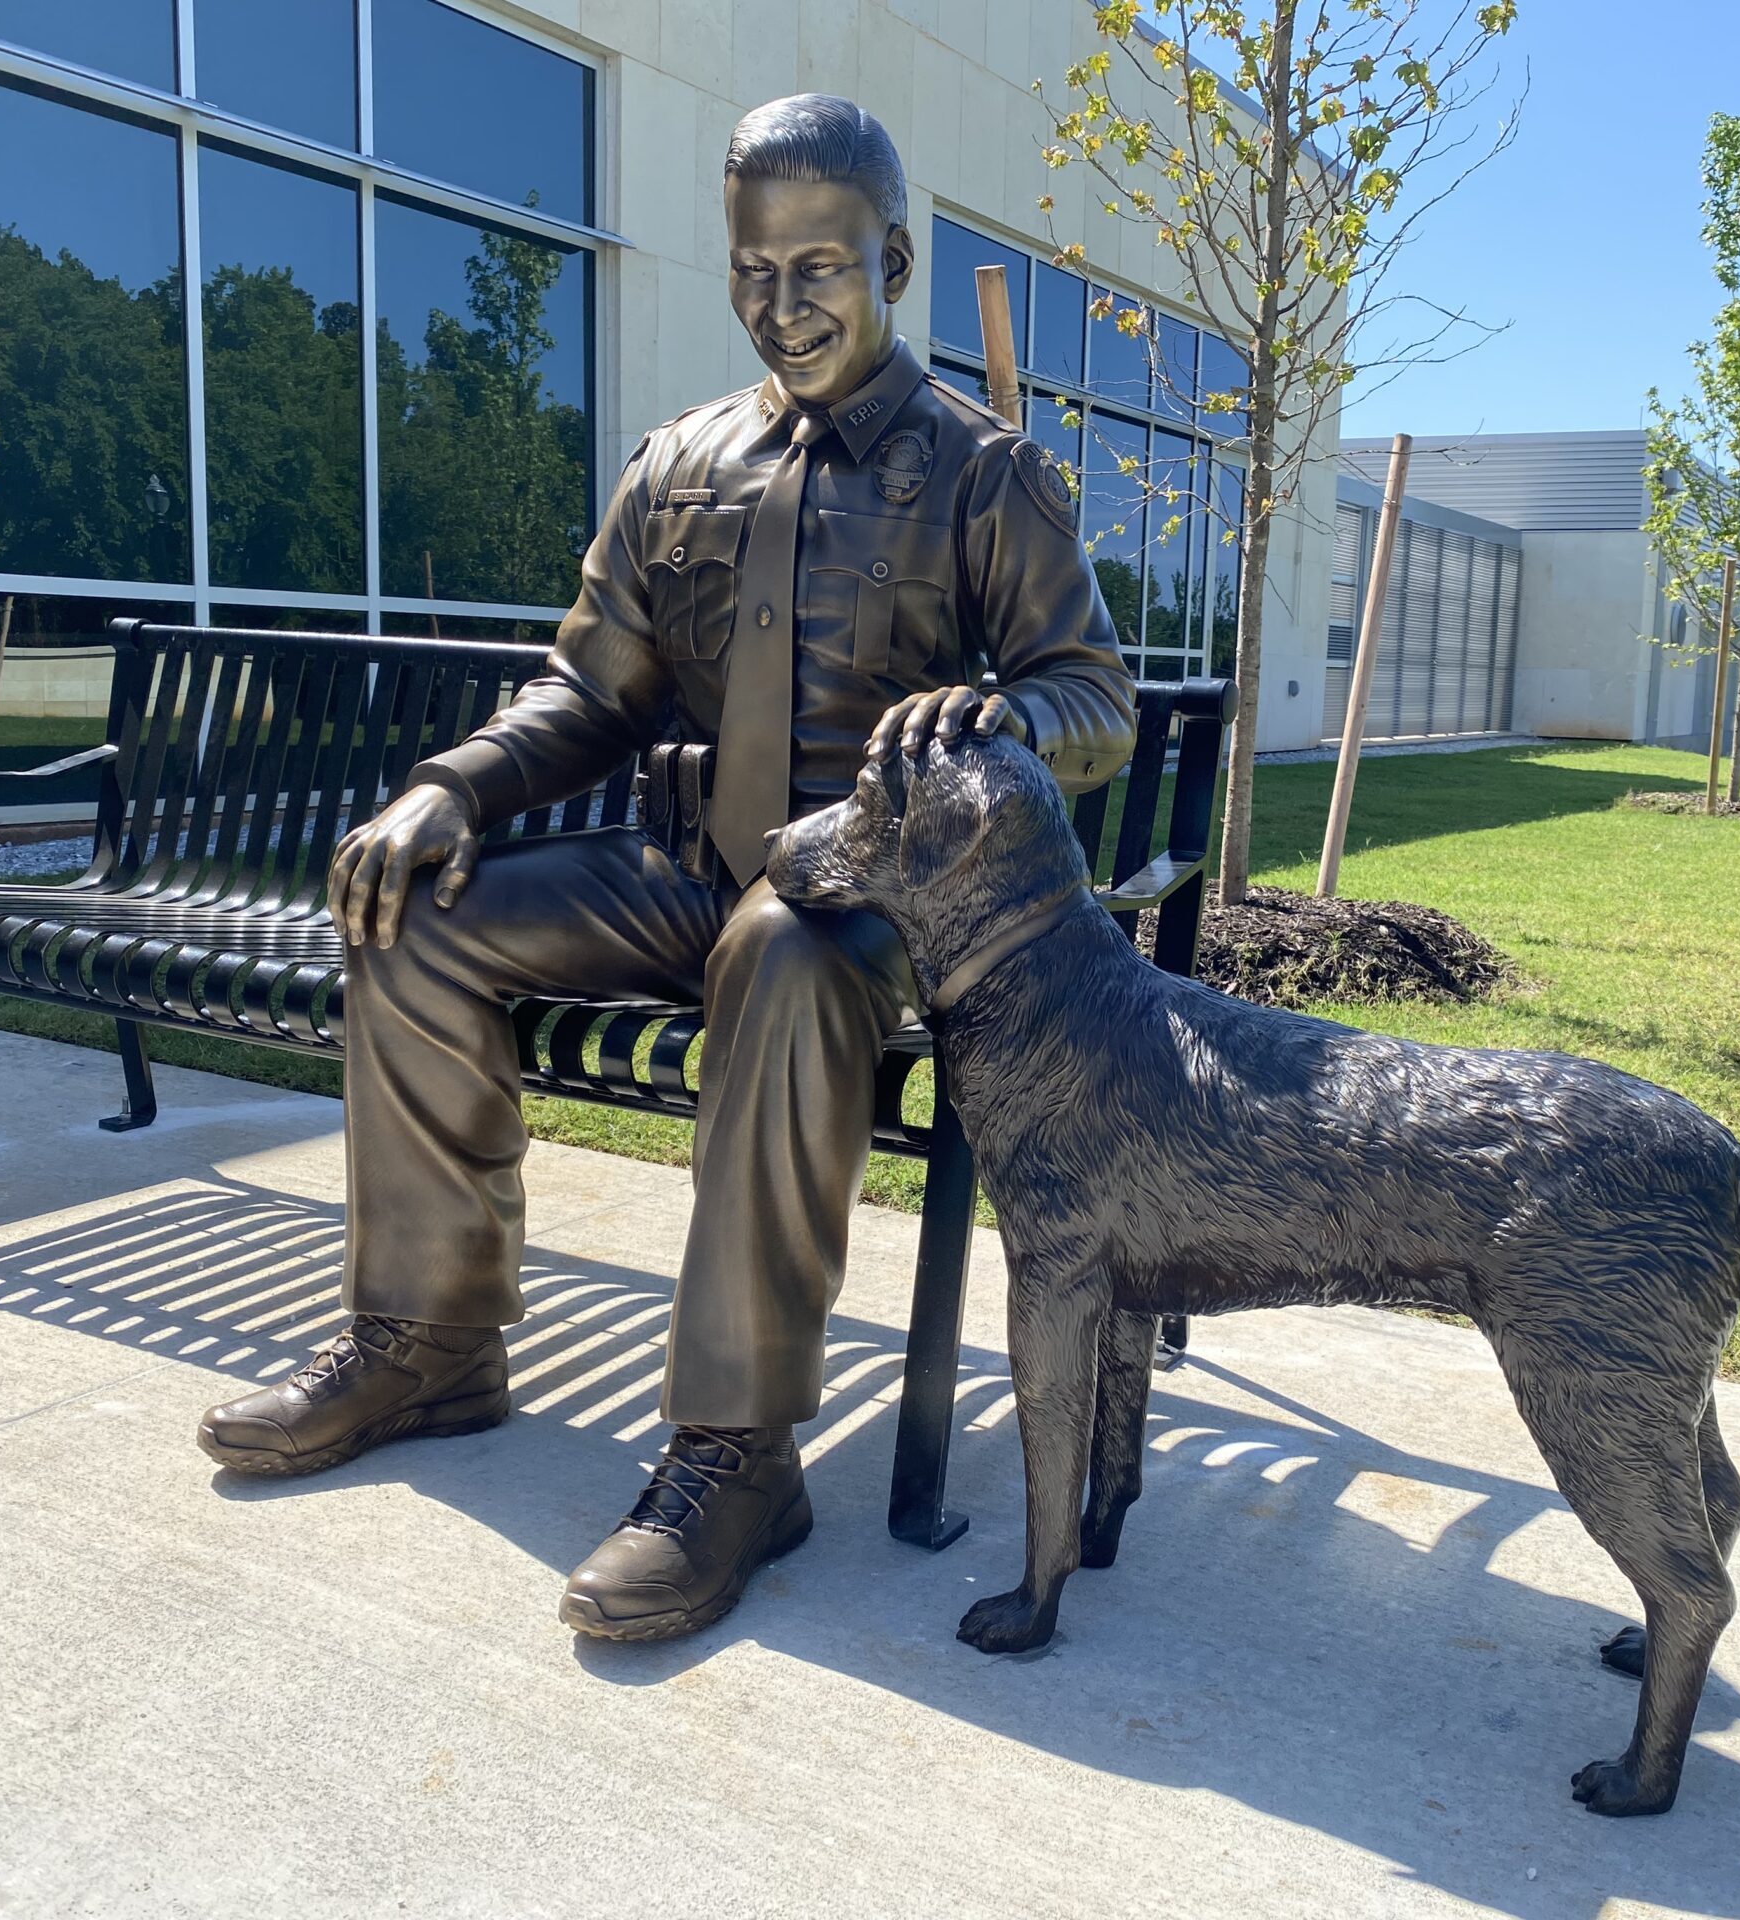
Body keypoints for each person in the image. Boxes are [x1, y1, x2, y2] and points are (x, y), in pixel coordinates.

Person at [196, 94, 1136, 1643]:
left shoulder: (987, 478)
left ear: (894, 259)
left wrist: (1008, 713)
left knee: (781, 945)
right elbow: (592, 689)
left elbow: (1090, 697)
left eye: (821, 266)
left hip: (864, 903)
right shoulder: (678, 463)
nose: (784, 306)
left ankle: (739, 1454)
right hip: (684, 863)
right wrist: (451, 789)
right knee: (414, 920)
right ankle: (428, 1342)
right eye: (754, 273)